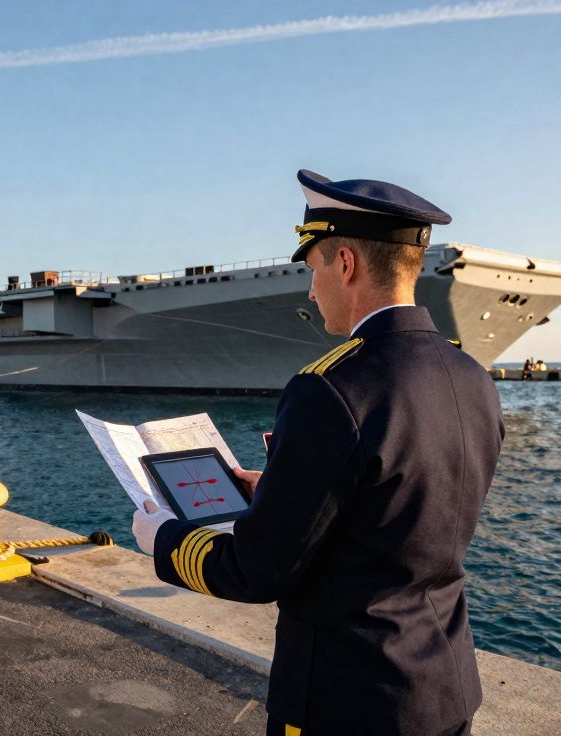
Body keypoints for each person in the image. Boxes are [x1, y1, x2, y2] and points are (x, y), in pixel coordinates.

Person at [133, 170, 504, 735]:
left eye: (313, 268)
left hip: (345, 701)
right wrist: (284, 492)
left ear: (347, 264)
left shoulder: (330, 388)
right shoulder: (471, 376)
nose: (310, 289)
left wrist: (162, 538)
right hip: (443, 691)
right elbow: (404, 508)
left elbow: (257, 572)